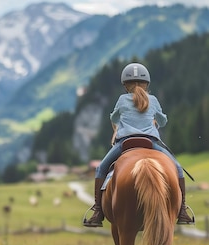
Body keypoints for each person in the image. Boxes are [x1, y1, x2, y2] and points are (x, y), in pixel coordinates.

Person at [83, 62, 194, 227]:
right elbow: (163, 121)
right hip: (150, 142)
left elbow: (113, 118)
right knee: (177, 167)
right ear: (146, 83)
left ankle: (98, 210)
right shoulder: (153, 100)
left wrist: (119, 120)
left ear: (125, 85)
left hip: (125, 143)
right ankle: (183, 209)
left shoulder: (122, 99)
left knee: (101, 169)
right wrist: (155, 119)